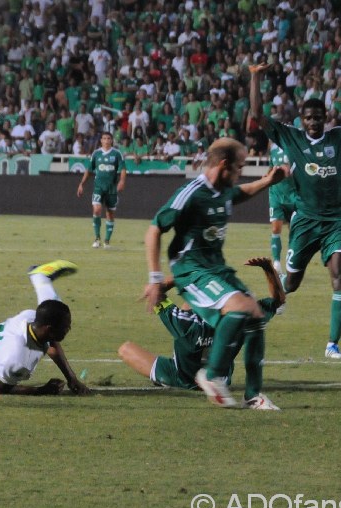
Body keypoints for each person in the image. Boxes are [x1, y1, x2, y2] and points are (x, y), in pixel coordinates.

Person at [143, 138, 288, 407]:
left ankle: (253, 396)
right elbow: (154, 230)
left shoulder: (222, 190)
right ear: (224, 165)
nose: (241, 172)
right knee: (241, 308)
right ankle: (212, 375)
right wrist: (155, 279)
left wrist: (267, 181)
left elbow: (240, 193)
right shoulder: (191, 193)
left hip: (216, 268)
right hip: (191, 269)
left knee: (255, 314)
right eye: (239, 166)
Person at [249, 64, 341, 359]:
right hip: (305, 221)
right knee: (290, 285)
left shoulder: (339, 138)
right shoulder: (292, 138)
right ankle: (260, 304)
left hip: (335, 221)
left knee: (340, 272)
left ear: (325, 118)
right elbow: (257, 116)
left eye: (317, 117)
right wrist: (255, 76)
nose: (313, 122)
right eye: (308, 118)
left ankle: (332, 344)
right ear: (302, 120)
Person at [119, 257, 285, 409]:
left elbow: (156, 295)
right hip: (221, 382)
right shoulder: (244, 317)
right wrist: (268, 269)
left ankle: (167, 380)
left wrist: (181, 277)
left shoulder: (185, 322)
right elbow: (278, 301)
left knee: (125, 349)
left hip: (179, 377)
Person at [0, 260, 90, 396]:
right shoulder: (19, 359)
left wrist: (72, 378)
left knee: (54, 307)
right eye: (65, 327)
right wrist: (41, 390)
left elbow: (52, 344)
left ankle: (40, 278)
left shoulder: (31, 317)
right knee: (8, 371)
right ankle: (40, 278)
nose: (69, 329)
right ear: (49, 329)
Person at [76, 131, 127, 249]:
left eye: (109, 138)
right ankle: (97, 238)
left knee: (109, 213)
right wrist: (81, 184)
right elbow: (89, 170)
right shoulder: (96, 154)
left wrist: (122, 181)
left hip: (111, 188)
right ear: (101, 141)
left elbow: (123, 169)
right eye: (104, 138)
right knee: (97, 209)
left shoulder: (117, 153)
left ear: (112, 140)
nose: (106, 140)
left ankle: (107, 241)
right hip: (98, 187)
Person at [267, 140, 295, 275]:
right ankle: (276, 262)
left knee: (294, 230)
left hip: (294, 196)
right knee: (275, 227)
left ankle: (291, 260)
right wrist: (268, 177)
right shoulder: (273, 149)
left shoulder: (296, 147)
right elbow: (271, 168)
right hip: (276, 194)